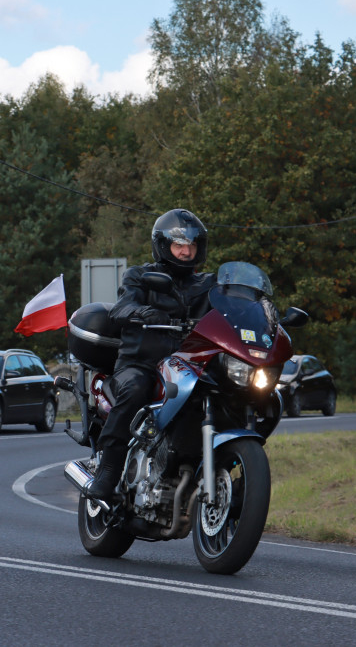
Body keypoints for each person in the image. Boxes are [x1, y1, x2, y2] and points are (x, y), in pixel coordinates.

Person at [84, 208, 217, 503]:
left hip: (188, 366)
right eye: (179, 245)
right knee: (134, 389)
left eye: (192, 245)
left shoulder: (209, 285)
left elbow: (230, 311)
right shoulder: (140, 276)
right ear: (163, 245)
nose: (186, 252)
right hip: (142, 364)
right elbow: (121, 309)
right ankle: (108, 471)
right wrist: (143, 311)